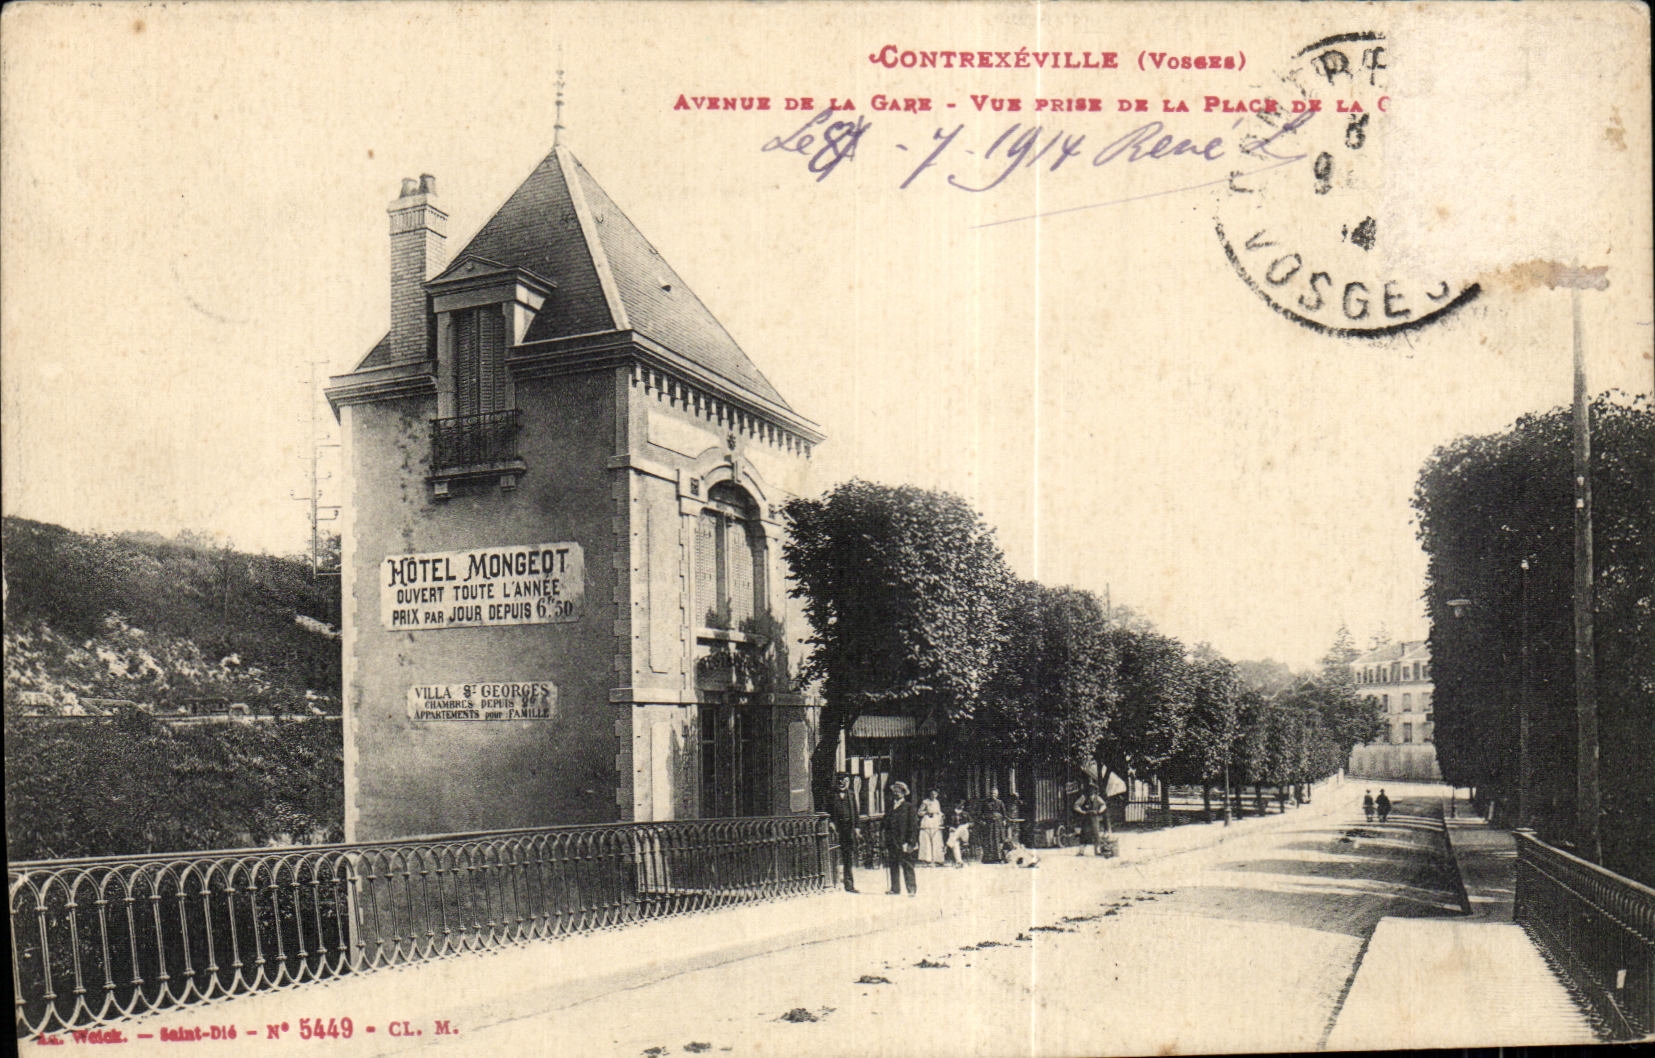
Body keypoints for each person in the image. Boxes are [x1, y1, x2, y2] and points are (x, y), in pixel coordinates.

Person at [884, 781, 919, 896]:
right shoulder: (890, 807)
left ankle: (911, 889)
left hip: (904, 842)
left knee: (907, 865)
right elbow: (886, 824)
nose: (896, 793)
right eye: (894, 791)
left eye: (898, 791)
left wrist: (911, 842)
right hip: (892, 841)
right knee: (893, 864)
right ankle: (895, 889)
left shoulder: (909, 807)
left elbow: (913, 826)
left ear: (904, 793)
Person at [827, 773, 860, 893]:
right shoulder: (831, 795)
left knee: (848, 858)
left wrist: (857, 827)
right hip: (836, 830)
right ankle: (833, 882)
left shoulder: (851, 794)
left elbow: (855, 812)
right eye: (839, 781)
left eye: (844, 781)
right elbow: (826, 810)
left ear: (848, 782)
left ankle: (849, 885)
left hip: (848, 830)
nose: (841, 783)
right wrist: (830, 822)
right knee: (834, 855)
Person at [1074, 784, 1108, 856]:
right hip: (1086, 818)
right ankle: (1081, 852)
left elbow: (1103, 805)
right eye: (1089, 789)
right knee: (1084, 834)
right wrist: (1082, 812)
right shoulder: (1083, 797)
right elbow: (1076, 805)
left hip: (1095, 818)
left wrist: (1099, 811)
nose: (1091, 791)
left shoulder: (1097, 798)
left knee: (1096, 834)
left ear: (1095, 791)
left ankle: (1097, 851)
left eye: (1093, 789)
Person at [980, 787, 1009, 864]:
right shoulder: (985, 802)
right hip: (988, 824)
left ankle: (998, 858)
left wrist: (1004, 820)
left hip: (997, 824)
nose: (993, 795)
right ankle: (988, 859)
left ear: (997, 794)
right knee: (989, 840)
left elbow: (1004, 813)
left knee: (997, 840)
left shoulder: (1000, 802)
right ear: (990, 794)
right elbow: (981, 813)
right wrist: (983, 821)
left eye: (995, 793)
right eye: (992, 793)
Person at [918, 789, 945, 866]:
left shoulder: (937, 802)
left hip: (935, 822)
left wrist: (942, 815)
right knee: (926, 840)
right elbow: (919, 812)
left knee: (937, 840)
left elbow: (938, 811)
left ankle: (937, 859)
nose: (933, 795)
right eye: (932, 794)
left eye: (935, 794)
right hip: (927, 821)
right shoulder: (925, 802)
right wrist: (927, 812)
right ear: (929, 794)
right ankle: (927, 859)